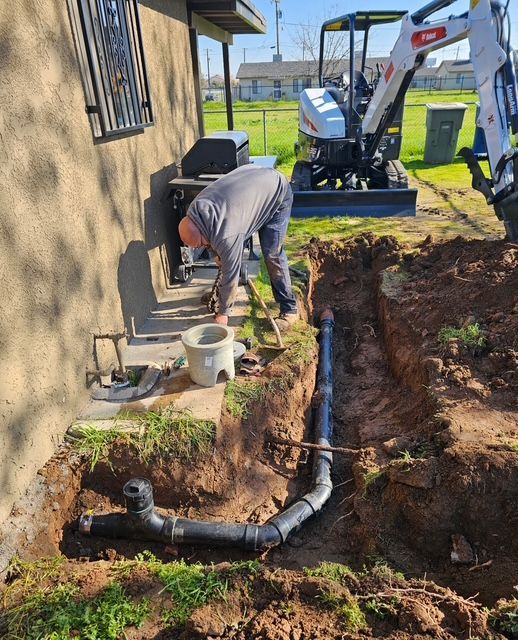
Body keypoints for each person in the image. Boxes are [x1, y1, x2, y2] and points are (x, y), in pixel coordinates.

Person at [178, 164, 299, 331]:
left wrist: (223, 314)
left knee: (272, 254)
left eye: (200, 245)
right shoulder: (195, 210)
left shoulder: (227, 234)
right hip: (253, 185)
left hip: (276, 191)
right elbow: (212, 245)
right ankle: (224, 294)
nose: (204, 247)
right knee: (225, 258)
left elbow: (230, 273)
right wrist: (217, 256)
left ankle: (289, 308)